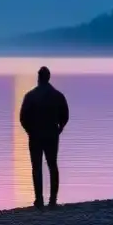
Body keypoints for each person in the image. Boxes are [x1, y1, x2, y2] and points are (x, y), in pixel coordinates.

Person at [18, 65, 69, 208]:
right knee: (53, 165)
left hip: (35, 135)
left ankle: (39, 200)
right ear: (49, 78)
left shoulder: (30, 96)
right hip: (52, 134)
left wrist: (29, 130)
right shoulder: (58, 95)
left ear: (39, 78)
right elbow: (65, 115)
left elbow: (22, 117)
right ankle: (53, 200)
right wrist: (60, 128)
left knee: (37, 167)